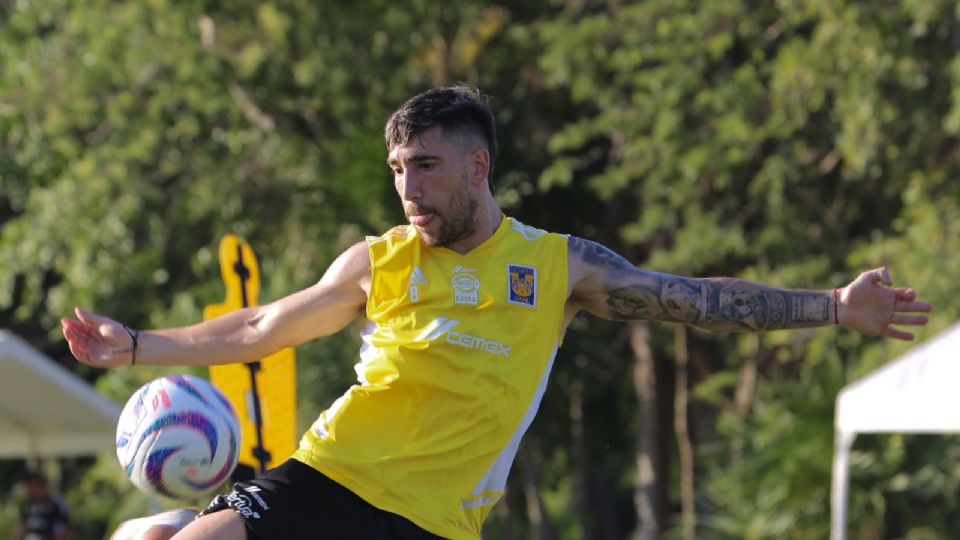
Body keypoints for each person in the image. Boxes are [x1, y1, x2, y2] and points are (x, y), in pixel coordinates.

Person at [61, 85, 932, 540]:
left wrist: (831, 308)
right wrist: (134, 346)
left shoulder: (557, 267)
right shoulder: (380, 261)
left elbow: (696, 301)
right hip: (332, 479)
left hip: (439, 524)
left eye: (426, 167)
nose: (407, 187)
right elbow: (260, 328)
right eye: (399, 168)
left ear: (478, 169)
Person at [12, 471, 72, 540]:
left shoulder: (56, 504)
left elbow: (65, 531)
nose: (26, 490)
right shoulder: (28, 506)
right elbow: (21, 529)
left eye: (28, 486)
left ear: (36, 484)